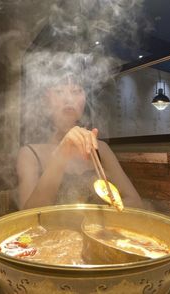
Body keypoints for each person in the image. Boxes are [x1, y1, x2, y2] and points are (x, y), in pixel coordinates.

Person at [17, 63, 143, 210]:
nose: (69, 99)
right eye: (59, 91)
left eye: (76, 91)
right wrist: (62, 153)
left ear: (84, 101)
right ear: (47, 101)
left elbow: (135, 203)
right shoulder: (29, 154)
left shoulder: (100, 149)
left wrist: (94, 222)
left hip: (99, 232)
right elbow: (27, 217)